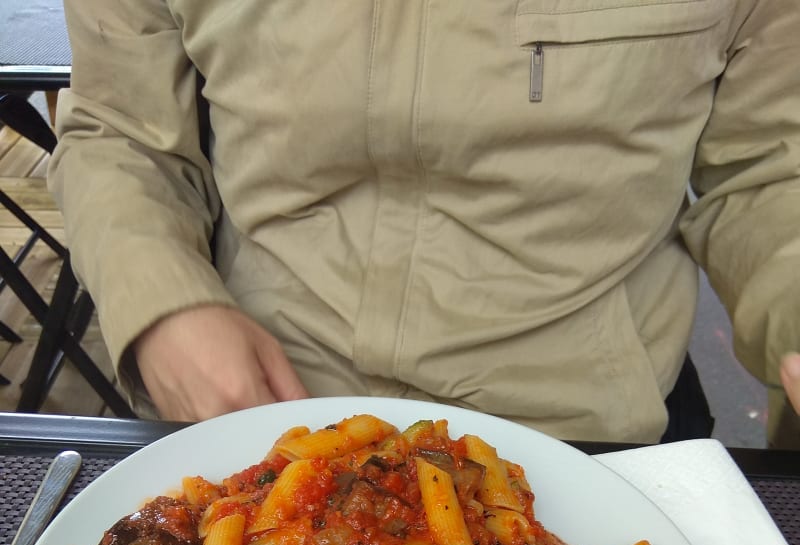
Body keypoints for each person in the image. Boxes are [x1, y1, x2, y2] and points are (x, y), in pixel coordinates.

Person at [48, 1, 800, 446]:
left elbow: (770, 162)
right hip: (267, 419)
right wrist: (161, 306)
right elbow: (121, 129)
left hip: (591, 435)